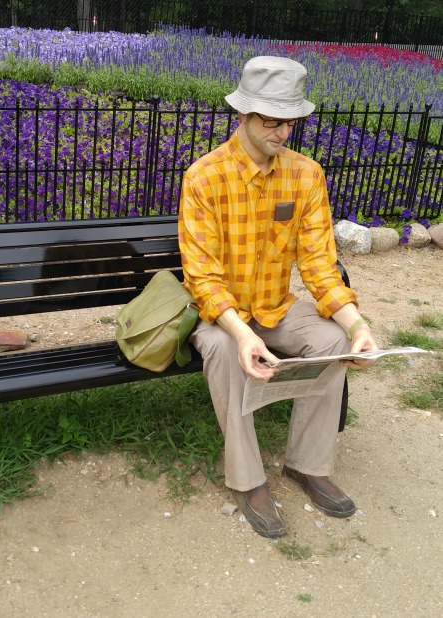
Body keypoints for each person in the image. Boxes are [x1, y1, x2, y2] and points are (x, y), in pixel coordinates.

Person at [178, 56, 379, 539]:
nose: (283, 130)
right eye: (271, 118)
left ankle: (307, 464)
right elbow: (202, 279)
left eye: (289, 119)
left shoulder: (306, 175)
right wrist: (243, 334)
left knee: (333, 341)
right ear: (242, 114)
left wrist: (357, 326)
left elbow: (319, 266)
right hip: (220, 315)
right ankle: (249, 481)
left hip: (275, 306)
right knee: (228, 351)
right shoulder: (204, 177)